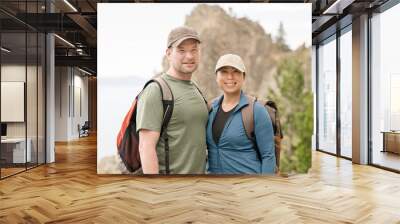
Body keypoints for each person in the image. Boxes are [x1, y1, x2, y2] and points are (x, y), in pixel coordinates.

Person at [136, 26, 208, 174]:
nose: (189, 56)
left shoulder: (195, 88)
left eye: (194, 50)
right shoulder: (156, 91)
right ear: (169, 54)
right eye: (181, 50)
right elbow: (145, 147)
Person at [206, 54, 276, 174]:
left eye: (236, 71)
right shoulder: (210, 108)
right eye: (224, 71)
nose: (230, 76)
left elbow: (268, 156)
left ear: (243, 77)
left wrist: (264, 187)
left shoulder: (256, 110)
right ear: (216, 77)